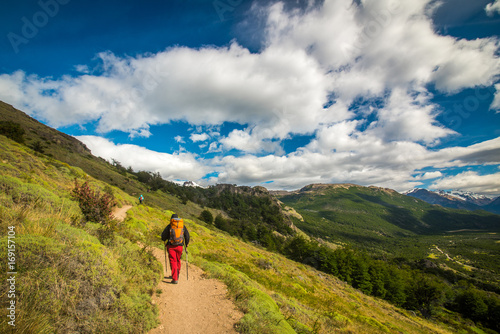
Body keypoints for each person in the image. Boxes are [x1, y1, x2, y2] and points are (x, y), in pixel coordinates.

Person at [161, 214, 190, 284]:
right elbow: (187, 235)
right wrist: (186, 244)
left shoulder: (170, 226)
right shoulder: (182, 226)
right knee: (178, 260)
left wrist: (165, 240)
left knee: (173, 261)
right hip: (180, 246)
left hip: (171, 246)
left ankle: (175, 278)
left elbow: (163, 236)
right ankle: (177, 274)